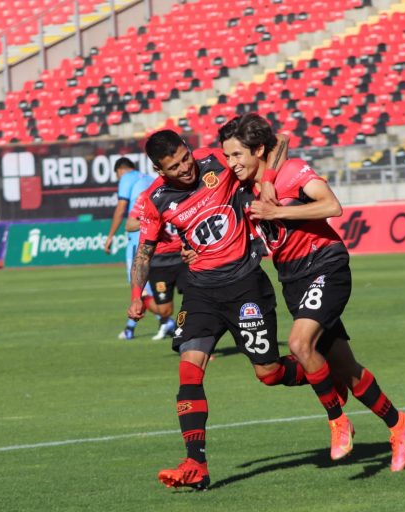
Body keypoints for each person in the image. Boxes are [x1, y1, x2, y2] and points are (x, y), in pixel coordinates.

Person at [219, 113, 405, 472]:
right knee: (347, 369)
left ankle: (338, 421)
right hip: (292, 280)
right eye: (227, 157)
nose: (231, 164)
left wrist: (278, 209)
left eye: (236, 155)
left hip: (325, 264)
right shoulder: (245, 188)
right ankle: (399, 424)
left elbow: (332, 206)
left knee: (298, 345)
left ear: (258, 150)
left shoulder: (290, 171)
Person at [127, 130, 310, 490]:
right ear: (157, 170)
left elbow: (278, 143)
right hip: (200, 292)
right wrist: (137, 294)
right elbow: (144, 251)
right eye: (174, 166)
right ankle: (196, 464)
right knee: (189, 370)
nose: (185, 168)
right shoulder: (155, 200)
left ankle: (319, 371)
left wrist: (269, 183)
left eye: (185, 158)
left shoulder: (217, 160)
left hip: (245, 287)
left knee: (269, 374)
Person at [104, 157, 162, 340]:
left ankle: (166, 321)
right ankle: (131, 328)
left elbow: (121, 209)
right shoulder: (149, 179)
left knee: (138, 285)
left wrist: (110, 236)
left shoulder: (126, 177)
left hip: (137, 240)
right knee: (147, 287)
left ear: (120, 170)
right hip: (153, 238)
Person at [126, 189, 185, 340]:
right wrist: (153, 221)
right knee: (165, 311)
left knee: (197, 299)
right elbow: (130, 224)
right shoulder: (146, 195)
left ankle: (194, 342)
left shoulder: (183, 190)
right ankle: (145, 298)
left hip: (184, 256)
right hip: (159, 261)